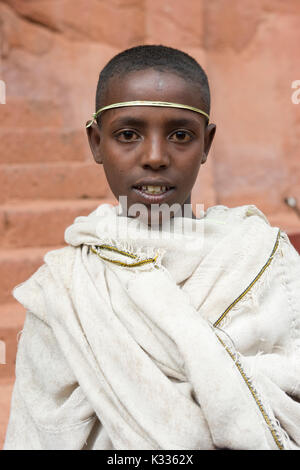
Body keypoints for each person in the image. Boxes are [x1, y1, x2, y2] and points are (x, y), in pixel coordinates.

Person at [3, 45, 300, 450]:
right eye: (128, 134)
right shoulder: (65, 290)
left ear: (207, 144)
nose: (156, 157)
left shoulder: (263, 258)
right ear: (95, 142)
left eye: (181, 135)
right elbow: (38, 432)